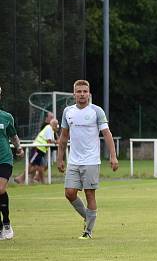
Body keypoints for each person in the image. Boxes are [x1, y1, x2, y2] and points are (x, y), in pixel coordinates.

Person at [56, 80, 119, 239]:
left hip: (91, 161)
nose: (82, 94)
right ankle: (88, 217)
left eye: (85, 91)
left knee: (90, 194)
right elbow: (64, 137)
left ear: (89, 93)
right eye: (79, 91)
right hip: (73, 161)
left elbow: (107, 134)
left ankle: (88, 231)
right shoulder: (68, 112)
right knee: (69, 193)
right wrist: (60, 158)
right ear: (74, 94)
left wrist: (113, 156)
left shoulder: (96, 111)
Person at [0, 86, 24, 240]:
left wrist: (19, 148)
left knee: (0, 189)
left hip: (4, 159)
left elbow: (13, 136)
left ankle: (7, 224)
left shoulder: (6, 117)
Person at [16, 118, 58, 184]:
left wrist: (55, 141)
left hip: (41, 150)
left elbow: (51, 141)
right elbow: (49, 141)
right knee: (33, 165)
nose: (57, 126)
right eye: (56, 125)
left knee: (38, 166)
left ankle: (30, 179)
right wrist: (56, 142)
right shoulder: (49, 128)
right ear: (54, 124)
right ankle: (22, 178)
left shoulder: (51, 130)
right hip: (38, 148)